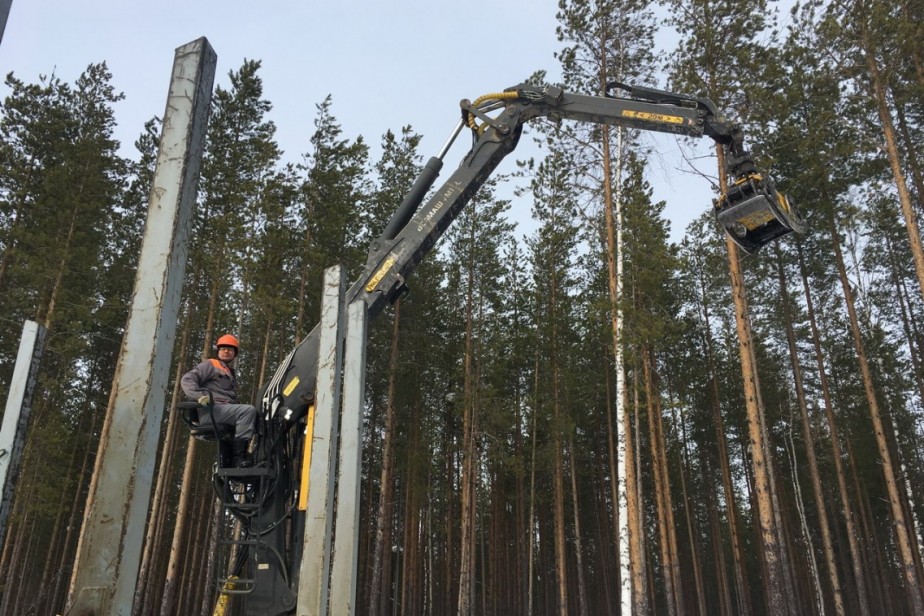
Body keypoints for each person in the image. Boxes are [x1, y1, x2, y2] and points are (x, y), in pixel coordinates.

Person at [181, 334, 256, 468]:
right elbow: (187, 379)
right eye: (223, 349)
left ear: (235, 354)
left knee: (259, 417)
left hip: (222, 410)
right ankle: (238, 459)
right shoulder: (211, 364)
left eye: (230, 349)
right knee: (247, 411)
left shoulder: (229, 372)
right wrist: (199, 396)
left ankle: (243, 456)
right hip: (211, 410)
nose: (226, 351)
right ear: (218, 351)